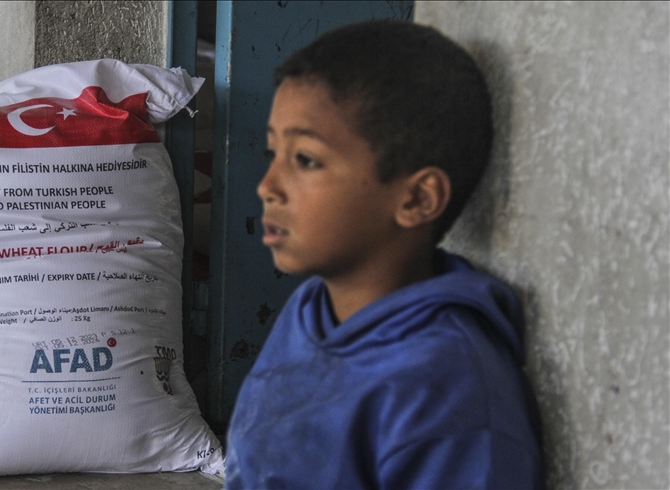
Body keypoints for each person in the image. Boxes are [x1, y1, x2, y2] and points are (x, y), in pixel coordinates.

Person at [225, 20, 544, 489]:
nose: (267, 186)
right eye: (272, 153)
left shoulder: (448, 391)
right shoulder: (309, 311)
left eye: (306, 160)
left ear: (417, 199)